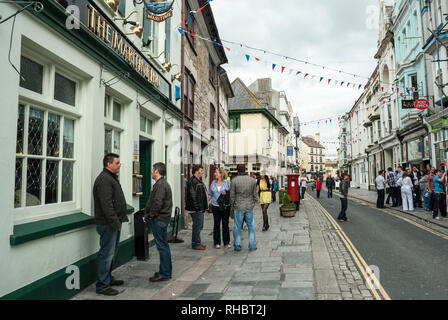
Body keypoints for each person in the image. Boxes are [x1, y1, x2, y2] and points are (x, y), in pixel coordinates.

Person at [93, 153, 128, 296]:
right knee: (106, 254)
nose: (120, 165)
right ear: (109, 164)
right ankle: (102, 285)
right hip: (108, 224)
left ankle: (108, 278)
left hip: (114, 222)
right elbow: (106, 204)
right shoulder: (103, 180)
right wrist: (114, 222)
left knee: (111, 253)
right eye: (117, 163)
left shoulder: (110, 178)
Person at [145, 162, 173, 282]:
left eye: (152, 170)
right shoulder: (161, 184)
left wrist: (150, 216)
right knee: (163, 246)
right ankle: (164, 270)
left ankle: (165, 273)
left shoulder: (161, 185)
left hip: (159, 220)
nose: (151, 172)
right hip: (161, 219)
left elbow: (157, 203)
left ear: (156, 171)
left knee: (162, 247)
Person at [230, 164, 258, 251]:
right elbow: (255, 194)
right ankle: (252, 245)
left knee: (238, 226)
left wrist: (232, 206)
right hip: (249, 206)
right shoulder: (252, 180)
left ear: (237, 171)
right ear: (245, 170)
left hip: (238, 206)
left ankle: (237, 245)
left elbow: (232, 195)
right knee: (251, 226)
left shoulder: (234, 181)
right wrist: (253, 203)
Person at [185, 165, 208, 250]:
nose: (202, 172)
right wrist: (197, 208)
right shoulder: (192, 181)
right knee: (197, 226)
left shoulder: (197, 180)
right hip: (196, 209)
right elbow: (193, 196)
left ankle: (198, 242)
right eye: (201, 170)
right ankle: (195, 244)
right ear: (197, 171)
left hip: (199, 208)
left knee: (199, 226)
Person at [208, 167, 231, 249]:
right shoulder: (213, 183)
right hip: (215, 206)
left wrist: (227, 192)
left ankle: (226, 242)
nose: (215, 174)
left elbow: (231, 193)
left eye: (216, 172)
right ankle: (217, 242)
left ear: (221, 174)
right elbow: (210, 194)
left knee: (225, 224)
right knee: (216, 224)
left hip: (225, 207)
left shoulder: (227, 182)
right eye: (215, 172)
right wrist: (205, 203)